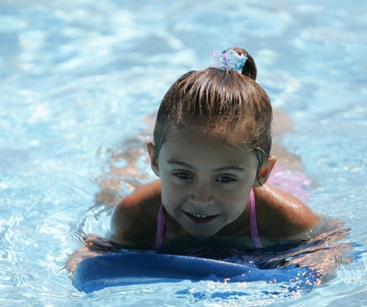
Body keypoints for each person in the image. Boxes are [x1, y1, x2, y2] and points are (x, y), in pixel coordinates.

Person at [67, 47, 341, 276]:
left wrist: (322, 260)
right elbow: (97, 250)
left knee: (277, 148)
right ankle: (137, 142)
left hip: (281, 184)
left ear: (263, 172)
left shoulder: (286, 218)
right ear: (154, 161)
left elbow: (333, 237)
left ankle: (277, 126)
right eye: (183, 175)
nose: (201, 198)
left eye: (224, 179)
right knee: (111, 188)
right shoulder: (136, 216)